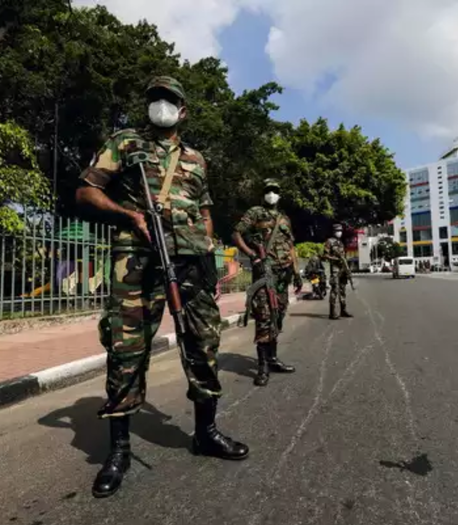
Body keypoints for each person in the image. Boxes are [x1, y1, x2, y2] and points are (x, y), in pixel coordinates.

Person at [76, 76, 249, 499]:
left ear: (183, 111)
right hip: (135, 262)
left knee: (204, 344)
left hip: (190, 265)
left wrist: (208, 248)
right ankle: (118, 452)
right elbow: (85, 192)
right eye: (154, 98)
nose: (161, 105)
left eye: (169, 100)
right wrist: (128, 216)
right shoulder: (126, 143)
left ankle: (205, 432)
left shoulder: (196, 159)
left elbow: (205, 211)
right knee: (127, 351)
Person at [232, 179, 302, 387]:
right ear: (263, 194)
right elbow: (236, 234)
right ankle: (262, 366)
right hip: (265, 274)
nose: (272, 194)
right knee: (264, 318)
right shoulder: (255, 212)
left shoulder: (285, 219)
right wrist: (252, 254)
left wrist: (297, 273)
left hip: (283, 276)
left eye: (275, 191)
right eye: (268, 191)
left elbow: (291, 246)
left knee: (277, 317)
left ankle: (272, 359)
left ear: (280, 194)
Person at [323, 223, 352, 320]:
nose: (339, 232)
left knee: (342, 289)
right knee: (335, 289)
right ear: (334, 231)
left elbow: (344, 256)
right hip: (335, 269)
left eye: (340, 231)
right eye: (337, 231)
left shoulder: (341, 243)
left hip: (343, 269)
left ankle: (343, 310)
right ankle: (332, 312)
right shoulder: (329, 242)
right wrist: (336, 259)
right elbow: (325, 256)